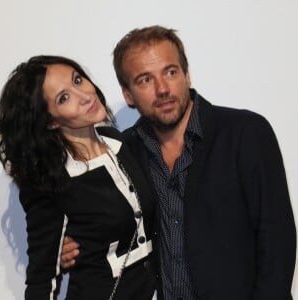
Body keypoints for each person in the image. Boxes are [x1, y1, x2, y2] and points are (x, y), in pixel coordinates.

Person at [61, 25, 297, 299]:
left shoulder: (245, 132)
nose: (162, 89)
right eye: (144, 80)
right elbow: (111, 225)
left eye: (170, 72)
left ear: (186, 74)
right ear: (128, 95)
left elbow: (277, 239)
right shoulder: (123, 153)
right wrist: (70, 246)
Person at [0, 55, 157, 300]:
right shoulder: (50, 182)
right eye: (64, 98)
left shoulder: (118, 141)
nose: (84, 95)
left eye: (78, 80)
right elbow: (42, 280)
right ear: (50, 121)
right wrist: (56, 253)